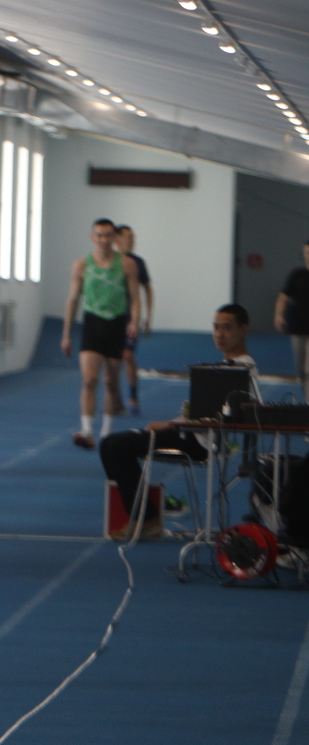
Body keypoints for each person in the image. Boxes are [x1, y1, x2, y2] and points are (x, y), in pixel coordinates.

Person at [98, 304, 256, 540]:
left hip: (199, 441)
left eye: (227, 328)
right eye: (215, 328)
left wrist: (169, 425)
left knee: (118, 446)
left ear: (243, 330)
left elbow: (221, 417)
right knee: (108, 444)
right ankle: (143, 513)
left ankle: (148, 518)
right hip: (189, 432)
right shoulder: (224, 367)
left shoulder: (244, 369)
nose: (219, 334)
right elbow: (201, 411)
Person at [61, 218, 141, 449]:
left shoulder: (127, 265)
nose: (104, 240)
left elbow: (135, 298)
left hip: (116, 324)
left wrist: (134, 321)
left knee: (111, 381)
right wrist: (66, 334)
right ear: (92, 238)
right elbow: (73, 299)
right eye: (99, 235)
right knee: (89, 379)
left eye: (108, 235)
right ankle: (87, 430)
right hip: (92, 324)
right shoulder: (81, 265)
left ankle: (106, 431)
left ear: (114, 238)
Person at [115, 225, 153, 415]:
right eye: (127, 237)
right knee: (113, 360)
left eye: (133, 237)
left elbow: (147, 289)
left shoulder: (138, 262)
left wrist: (148, 317)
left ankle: (133, 395)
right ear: (117, 239)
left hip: (132, 317)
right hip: (113, 318)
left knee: (128, 356)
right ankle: (116, 400)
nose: (130, 241)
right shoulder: (111, 262)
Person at [274, 239, 309, 402]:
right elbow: (283, 297)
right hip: (298, 329)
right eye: (307, 253)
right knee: (301, 371)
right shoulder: (297, 275)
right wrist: (279, 315)